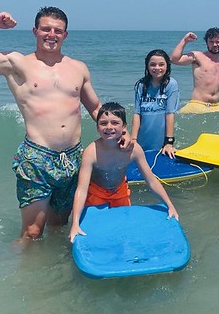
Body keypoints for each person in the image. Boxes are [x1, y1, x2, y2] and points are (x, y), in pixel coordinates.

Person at [0, 7, 106, 240]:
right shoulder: (16, 63)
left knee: (59, 226)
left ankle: (52, 274)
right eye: (45, 29)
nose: (51, 34)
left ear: (65, 35)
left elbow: (95, 107)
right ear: (35, 31)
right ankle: (21, 273)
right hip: (36, 159)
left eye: (57, 30)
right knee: (32, 232)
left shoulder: (78, 68)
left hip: (72, 158)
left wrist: (121, 134)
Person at [68, 103, 179, 243]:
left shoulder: (133, 149)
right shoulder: (91, 152)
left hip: (120, 191)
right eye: (103, 123)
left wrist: (170, 205)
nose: (109, 127)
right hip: (96, 193)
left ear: (124, 127)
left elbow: (151, 180)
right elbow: (82, 189)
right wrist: (75, 223)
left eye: (115, 123)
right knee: (100, 232)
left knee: (122, 231)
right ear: (97, 127)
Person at [170, 27, 219, 113]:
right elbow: (174, 59)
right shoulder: (197, 56)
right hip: (197, 104)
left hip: (216, 106)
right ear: (207, 43)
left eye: (218, 42)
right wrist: (185, 40)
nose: (215, 44)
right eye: (211, 42)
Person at [132, 49, 180, 157]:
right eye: (152, 64)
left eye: (161, 64)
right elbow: (137, 113)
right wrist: (133, 139)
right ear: (147, 66)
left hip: (161, 139)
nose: (157, 68)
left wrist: (169, 142)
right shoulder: (141, 85)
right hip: (142, 137)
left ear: (167, 66)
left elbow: (170, 113)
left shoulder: (171, 84)